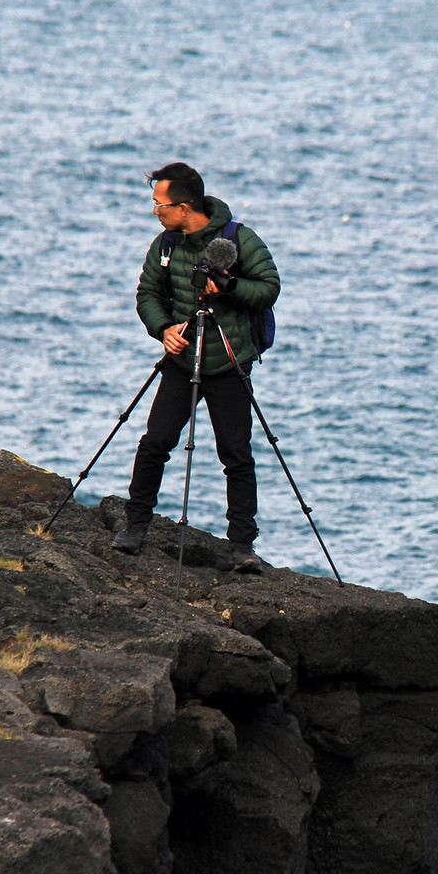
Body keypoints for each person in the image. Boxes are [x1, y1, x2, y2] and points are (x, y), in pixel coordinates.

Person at [111, 162, 280, 570]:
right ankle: (135, 528)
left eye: (159, 204)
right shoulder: (165, 245)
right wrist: (163, 328)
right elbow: (147, 292)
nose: (155, 211)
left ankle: (242, 547)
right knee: (155, 443)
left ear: (184, 207)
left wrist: (228, 286)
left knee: (236, 455)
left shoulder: (239, 239)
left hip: (227, 362)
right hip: (182, 359)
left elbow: (269, 288)